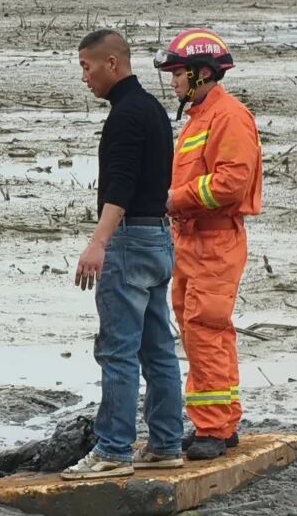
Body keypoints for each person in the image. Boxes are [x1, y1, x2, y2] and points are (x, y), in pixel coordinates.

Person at [62, 30, 184, 481]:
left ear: (111, 63)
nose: (84, 77)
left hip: (130, 241)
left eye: (86, 67)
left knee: (117, 351)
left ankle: (113, 449)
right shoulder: (152, 109)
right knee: (158, 349)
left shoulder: (126, 116)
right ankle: (166, 444)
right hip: (159, 239)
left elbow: (122, 186)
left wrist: (98, 242)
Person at [156, 28, 263, 461]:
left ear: (202, 73)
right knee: (199, 328)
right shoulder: (201, 117)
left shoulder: (229, 117)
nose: (173, 82)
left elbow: (231, 183)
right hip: (192, 238)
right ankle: (221, 422)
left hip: (214, 239)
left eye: (178, 73)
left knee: (206, 329)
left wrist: (173, 199)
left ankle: (214, 429)